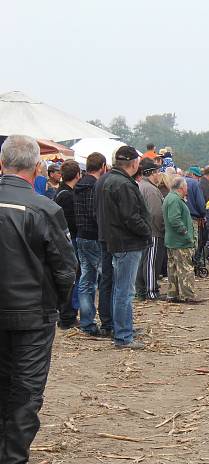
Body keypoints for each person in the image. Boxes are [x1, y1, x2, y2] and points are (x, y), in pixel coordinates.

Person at [0, 135, 77, 464]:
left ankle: (10, 463)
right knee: (27, 389)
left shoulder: (43, 208)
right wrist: (62, 307)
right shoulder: (44, 209)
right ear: (36, 168)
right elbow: (65, 267)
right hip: (32, 313)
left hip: (27, 308)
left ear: (3, 164)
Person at [99, 146, 152, 349]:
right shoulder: (122, 184)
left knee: (121, 290)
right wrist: (147, 230)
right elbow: (131, 217)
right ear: (134, 163)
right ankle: (123, 335)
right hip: (127, 242)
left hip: (118, 241)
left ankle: (123, 328)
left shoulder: (112, 180)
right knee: (125, 291)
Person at [74, 152, 108, 336]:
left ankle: (87, 322)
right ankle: (105, 321)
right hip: (95, 237)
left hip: (81, 236)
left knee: (86, 280)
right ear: (102, 166)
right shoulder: (95, 187)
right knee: (104, 280)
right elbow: (95, 214)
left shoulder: (78, 185)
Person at [53, 160, 81, 329]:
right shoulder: (67, 196)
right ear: (77, 174)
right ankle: (67, 316)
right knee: (73, 277)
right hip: (70, 240)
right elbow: (71, 222)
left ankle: (66, 314)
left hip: (64, 240)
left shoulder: (61, 193)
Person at [163, 177, 200, 303]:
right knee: (185, 268)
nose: (187, 189)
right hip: (180, 241)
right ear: (181, 188)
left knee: (173, 268)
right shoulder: (175, 200)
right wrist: (186, 233)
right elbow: (174, 219)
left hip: (172, 240)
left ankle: (173, 294)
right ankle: (188, 295)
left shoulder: (170, 198)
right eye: (186, 187)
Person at [136, 159, 166, 300]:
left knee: (144, 262)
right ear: (152, 173)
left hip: (146, 230)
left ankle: (143, 290)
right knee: (151, 263)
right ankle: (151, 291)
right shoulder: (151, 190)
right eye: (157, 172)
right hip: (153, 231)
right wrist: (162, 229)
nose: (159, 175)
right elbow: (156, 213)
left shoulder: (141, 186)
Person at [184, 166, 207, 265]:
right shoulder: (195, 183)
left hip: (179, 217)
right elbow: (200, 203)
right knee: (194, 242)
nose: (198, 179)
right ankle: (192, 264)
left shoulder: (178, 181)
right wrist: (203, 214)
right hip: (192, 217)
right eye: (197, 176)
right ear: (192, 174)